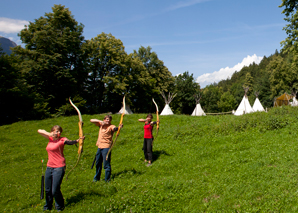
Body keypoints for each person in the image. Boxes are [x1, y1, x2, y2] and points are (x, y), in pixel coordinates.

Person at [38, 125, 85, 211]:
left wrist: (78, 141)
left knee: (55, 189)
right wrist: (50, 134)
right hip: (49, 167)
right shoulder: (50, 138)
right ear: (52, 132)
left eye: (59, 131)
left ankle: (59, 206)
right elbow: (39, 130)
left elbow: (70, 142)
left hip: (59, 167)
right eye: (57, 131)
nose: (58, 133)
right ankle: (47, 206)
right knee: (48, 189)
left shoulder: (62, 139)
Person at [90, 115, 123, 182]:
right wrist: (100, 121)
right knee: (98, 163)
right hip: (99, 146)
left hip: (106, 147)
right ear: (104, 119)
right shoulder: (101, 125)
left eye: (109, 120)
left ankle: (107, 179)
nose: (108, 121)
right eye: (107, 119)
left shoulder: (111, 126)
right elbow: (91, 120)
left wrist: (119, 127)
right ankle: (97, 178)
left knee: (106, 164)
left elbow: (115, 128)